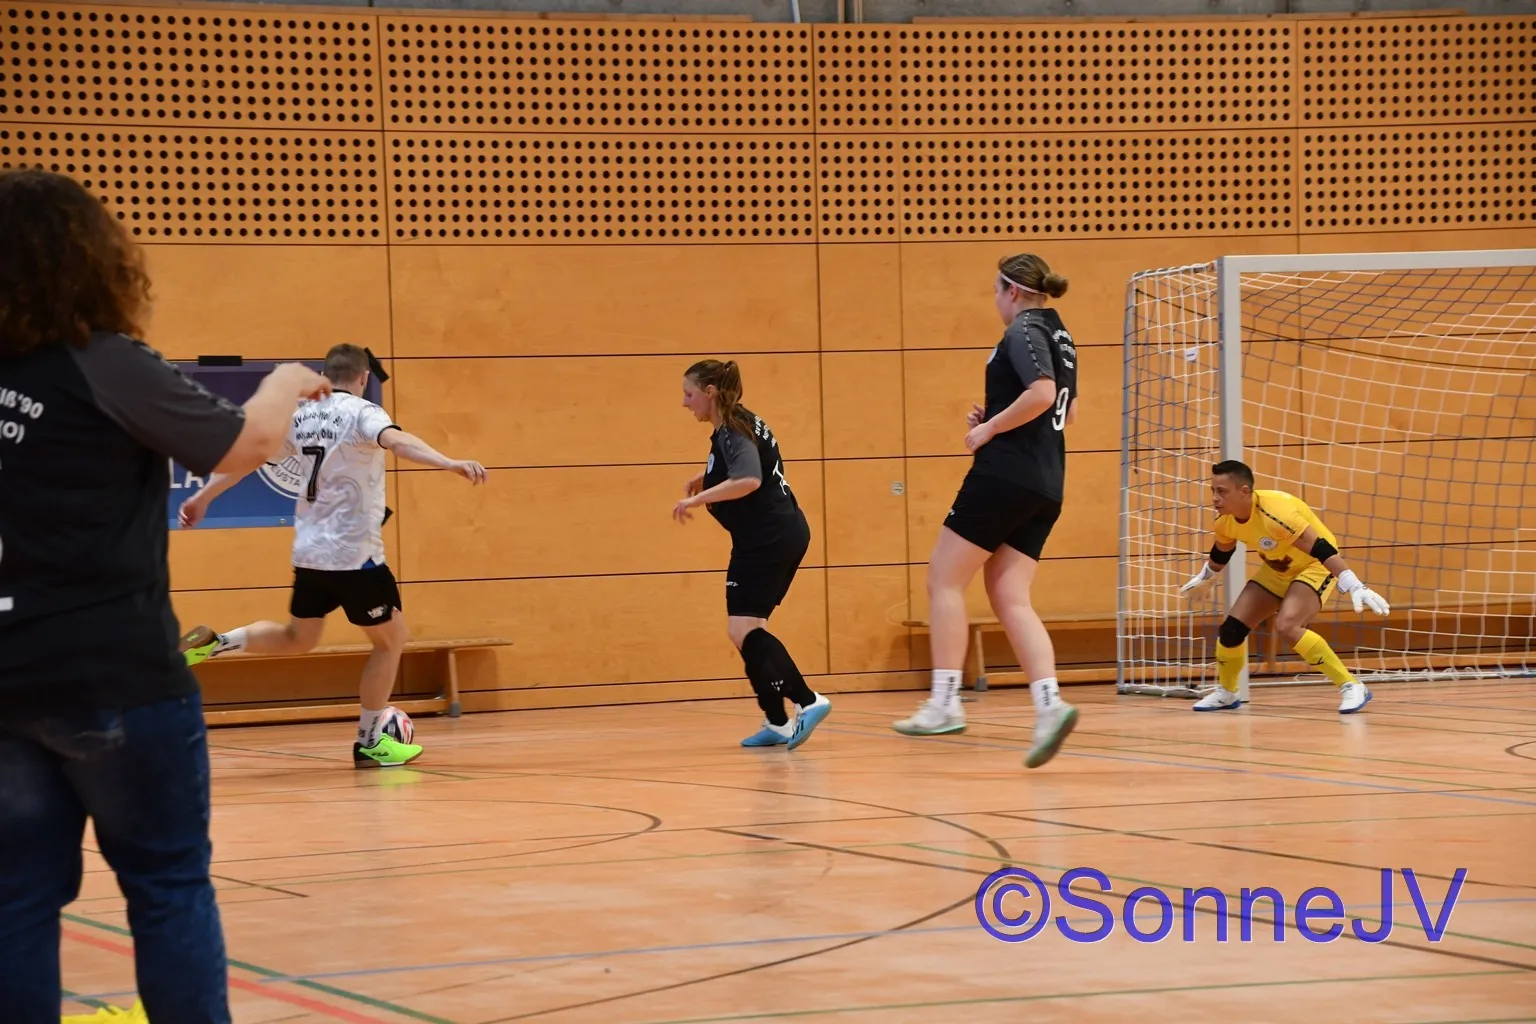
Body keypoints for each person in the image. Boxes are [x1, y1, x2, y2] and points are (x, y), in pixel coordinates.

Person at [0, 168, 333, 1022]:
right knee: (167, 883)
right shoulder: (104, 362)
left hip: (7, 675)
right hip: (115, 670)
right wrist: (284, 380)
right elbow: (245, 444)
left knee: (16, 897)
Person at [176, 343, 488, 768]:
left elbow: (252, 457)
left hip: (310, 553)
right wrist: (447, 461)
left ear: (326, 375)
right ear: (363, 377)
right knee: (391, 641)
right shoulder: (363, 412)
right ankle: (371, 741)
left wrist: (203, 497)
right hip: (354, 556)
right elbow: (397, 441)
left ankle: (216, 644)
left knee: (298, 637)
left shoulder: (301, 416)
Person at [893, 253, 1081, 770]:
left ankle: (944, 702)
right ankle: (1050, 706)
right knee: (1010, 595)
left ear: (1011, 290)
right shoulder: (1060, 335)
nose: (995, 301)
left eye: (995, 291)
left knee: (944, 579)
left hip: (1005, 475)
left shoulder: (1022, 329)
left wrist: (989, 428)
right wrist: (999, 410)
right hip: (1048, 482)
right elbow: (1064, 409)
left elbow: (1042, 394)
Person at [674, 359, 831, 750]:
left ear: (710, 392)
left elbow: (748, 479)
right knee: (747, 628)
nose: (685, 402)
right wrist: (707, 478)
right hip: (778, 533)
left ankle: (807, 700)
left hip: (766, 538)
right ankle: (776, 721)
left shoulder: (732, 429)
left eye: (689, 394)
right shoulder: (742, 421)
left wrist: (697, 499)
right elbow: (747, 467)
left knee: (743, 629)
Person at [1178, 460, 1389, 713]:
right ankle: (1227, 692)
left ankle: (1351, 685)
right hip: (1278, 570)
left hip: (1314, 566)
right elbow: (1222, 552)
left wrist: (1353, 584)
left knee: (1287, 625)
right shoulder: (1225, 521)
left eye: (1222, 491)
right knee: (1231, 630)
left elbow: (1321, 548)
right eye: (1212, 490)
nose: (1214, 498)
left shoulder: (1277, 513)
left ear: (1244, 491)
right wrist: (1206, 577)